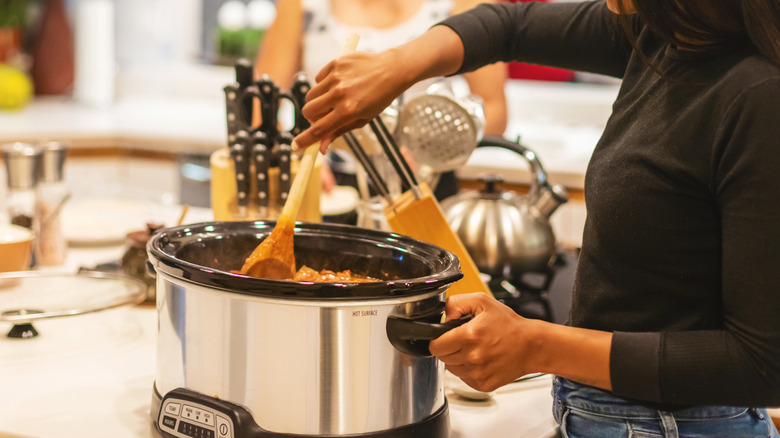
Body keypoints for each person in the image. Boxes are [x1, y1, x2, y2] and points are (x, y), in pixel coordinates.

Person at [293, 0, 780, 436]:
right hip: (602, 412)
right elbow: (508, 25)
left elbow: (761, 365)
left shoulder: (758, 95)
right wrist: (397, 65)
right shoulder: (659, 34)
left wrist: (535, 346)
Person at [253, 0, 508, 200]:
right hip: (328, 190)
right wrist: (293, 162)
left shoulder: (461, 2)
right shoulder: (301, 4)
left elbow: (494, 107)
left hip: (423, 186)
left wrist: (432, 152)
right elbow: (260, 105)